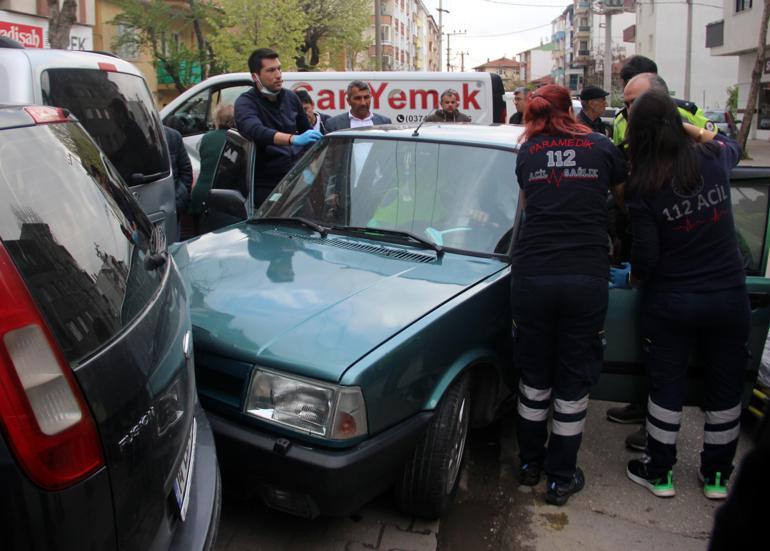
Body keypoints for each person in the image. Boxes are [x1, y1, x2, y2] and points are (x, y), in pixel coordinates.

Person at [610, 89, 748, 500]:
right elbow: (730, 144)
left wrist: (633, 280)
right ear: (675, 123)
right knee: (725, 390)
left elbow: (647, 257)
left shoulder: (643, 184)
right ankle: (718, 477)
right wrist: (684, 125)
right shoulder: (712, 159)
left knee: (665, 387)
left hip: (672, 300)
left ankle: (660, 472)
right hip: (728, 296)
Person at [512, 84, 626, 506]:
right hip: (584, 276)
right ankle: (561, 478)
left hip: (533, 276)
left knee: (534, 376)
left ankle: (529, 465)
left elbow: (527, 204)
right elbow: (622, 197)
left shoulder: (527, 152)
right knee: (573, 379)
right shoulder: (600, 146)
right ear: (572, 110)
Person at [607, 70, 715, 451]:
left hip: (681, 246)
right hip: (642, 228)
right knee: (647, 342)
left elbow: (720, 151)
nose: (627, 110)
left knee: (669, 354)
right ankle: (641, 405)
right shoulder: (625, 124)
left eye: (633, 102)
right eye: (625, 102)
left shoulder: (691, 119)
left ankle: (661, 433)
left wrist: (639, 272)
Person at [234, 48, 322, 207]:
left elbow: (307, 134)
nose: (278, 75)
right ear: (255, 76)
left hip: (297, 182)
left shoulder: (291, 98)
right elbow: (255, 130)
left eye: (279, 68)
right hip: (265, 187)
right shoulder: (245, 103)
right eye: (271, 70)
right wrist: (292, 139)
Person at [612, 55, 713, 147]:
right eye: (626, 84)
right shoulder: (620, 120)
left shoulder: (685, 113)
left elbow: (719, 146)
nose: (632, 109)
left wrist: (682, 127)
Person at [188, 103, 236, 232]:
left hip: (200, 194)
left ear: (217, 119)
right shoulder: (238, 140)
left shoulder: (206, 138)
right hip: (225, 197)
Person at [325, 80, 392, 131]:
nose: (363, 103)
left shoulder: (385, 122)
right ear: (348, 101)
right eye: (357, 98)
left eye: (366, 97)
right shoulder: (333, 124)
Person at [163, 125, 193, 241]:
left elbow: (186, 170)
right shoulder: (126, 136)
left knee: (174, 250)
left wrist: (178, 200)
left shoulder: (173, 136)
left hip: (172, 210)